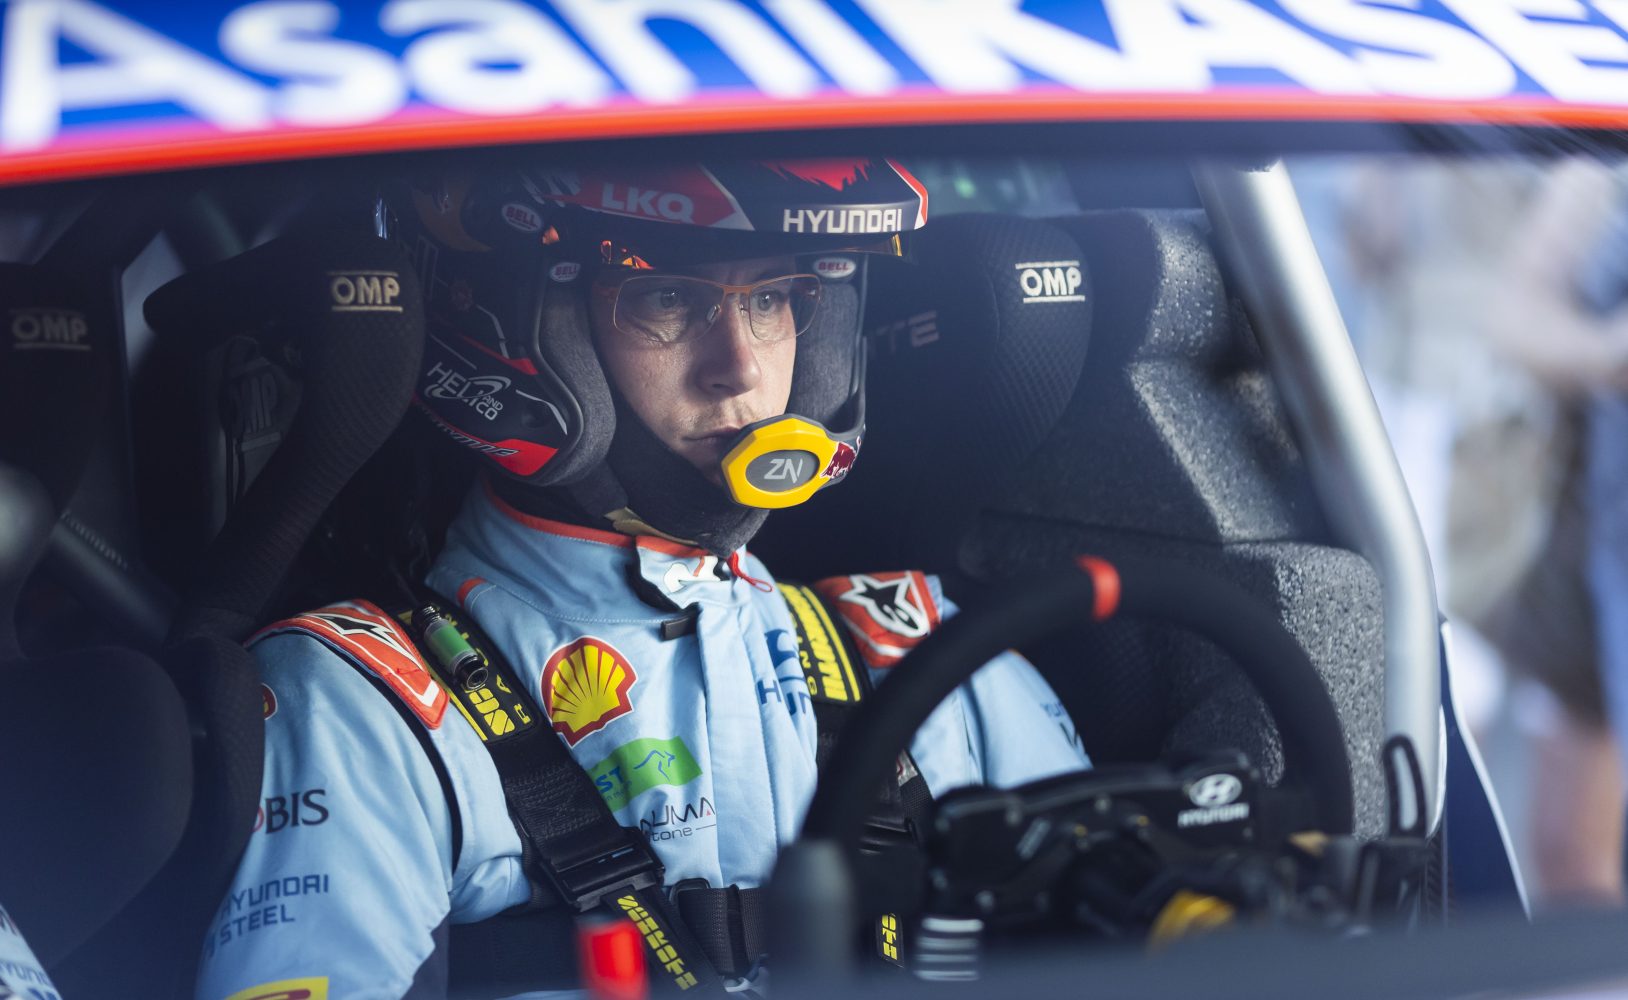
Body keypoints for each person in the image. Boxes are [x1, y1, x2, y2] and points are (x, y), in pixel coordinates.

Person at [195, 158, 1089, 1000]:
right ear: (518, 326)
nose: (741, 368)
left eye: (772, 299)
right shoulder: (359, 704)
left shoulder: (924, 654)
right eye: (667, 297)